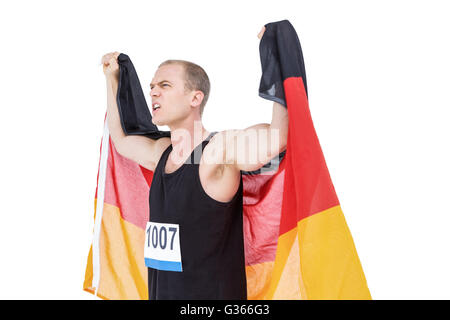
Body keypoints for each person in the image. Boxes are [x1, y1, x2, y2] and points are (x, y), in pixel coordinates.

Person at [100, 26, 288, 300]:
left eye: (165, 86)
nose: (153, 92)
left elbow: (278, 137)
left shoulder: (216, 153)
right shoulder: (161, 154)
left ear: (195, 98)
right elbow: (120, 139)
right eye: (152, 86)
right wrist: (111, 78)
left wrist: (276, 55)